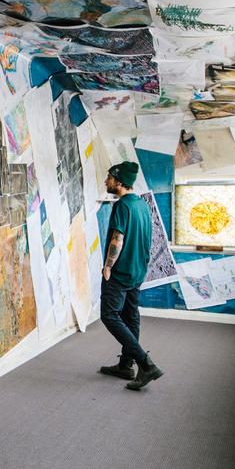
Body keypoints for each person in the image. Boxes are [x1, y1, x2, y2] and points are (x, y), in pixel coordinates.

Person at [98, 162, 164, 391]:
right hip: (138, 270)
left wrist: (108, 266)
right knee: (130, 315)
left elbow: (118, 238)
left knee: (109, 314)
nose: (106, 182)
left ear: (119, 181)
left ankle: (145, 364)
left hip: (121, 271)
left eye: (109, 178)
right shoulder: (142, 205)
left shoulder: (123, 206)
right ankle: (126, 365)